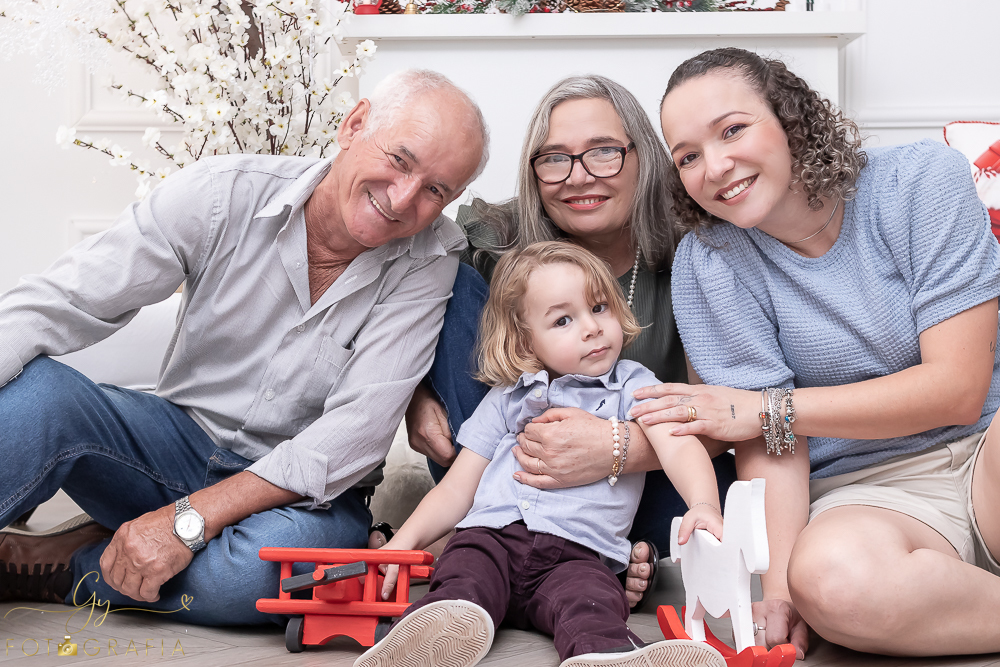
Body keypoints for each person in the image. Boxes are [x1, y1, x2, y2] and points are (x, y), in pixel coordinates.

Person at [0, 69, 488, 625]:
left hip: (304, 501)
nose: (403, 200)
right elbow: (59, 301)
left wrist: (187, 522)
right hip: (170, 444)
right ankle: (131, 540)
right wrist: (189, 514)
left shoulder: (431, 256)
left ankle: (65, 565)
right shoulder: (221, 193)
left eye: (435, 190)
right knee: (41, 394)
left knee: (263, 576)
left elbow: (351, 435)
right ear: (354, 125)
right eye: (400, 160)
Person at [628, 47, 1000, 657]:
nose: (715, 166)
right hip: (870, 496)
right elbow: (773, 448)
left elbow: (957, 391)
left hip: (988, 448)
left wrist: (767, 408)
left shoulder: (920, 181)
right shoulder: (710, 262)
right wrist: (779, 592)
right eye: (688, 156)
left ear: (790, 118)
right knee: (829, 583)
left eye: (733, 130)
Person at [403, 75, 738, 607]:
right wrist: (417, 396)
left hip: (642, 479)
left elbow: (721, 419)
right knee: (453, 279)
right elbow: (429, 326)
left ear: (643, 155)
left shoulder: (695, 255)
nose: (579, 176)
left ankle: (591, 556)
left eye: (603, 152)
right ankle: (486, 541)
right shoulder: (502, 243)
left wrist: (614, 449)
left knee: (711, 479)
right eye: (555, 158)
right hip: (504, 468)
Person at [356, 241, 726, 667]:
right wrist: (401, 545)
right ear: (526, 341)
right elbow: (457, 488)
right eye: (564, 319)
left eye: (600, 307)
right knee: (461, 576)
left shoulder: (634, 388)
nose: (591, 327)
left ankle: (608, 653)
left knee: (592, 603)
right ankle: (434, 633)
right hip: (491, 538)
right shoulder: (506, 398)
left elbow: (679, 444)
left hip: (579, 554)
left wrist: (703, 504)